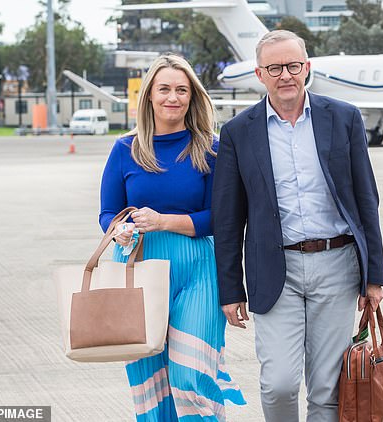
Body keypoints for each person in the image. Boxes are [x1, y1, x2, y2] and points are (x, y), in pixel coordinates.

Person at [212, 30, 383, 422]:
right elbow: (227, 220)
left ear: (306, 68)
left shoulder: (343, 118)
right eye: (275, 68)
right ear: (260, 74)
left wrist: (374, 275)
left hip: (338, 265)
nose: (285, 75)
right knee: (279, 384)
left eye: (293, 66)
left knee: (326, 389)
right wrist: (230, 289)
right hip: (276, 272)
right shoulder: (238, 132)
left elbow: (366, 202)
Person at [99, 54, 245, 421]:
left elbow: (219, 217)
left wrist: (163, 221)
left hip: (197, 272)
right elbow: (107, 212)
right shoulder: (125, 149)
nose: (173, 98)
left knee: (190, 376)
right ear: (149, 95)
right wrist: (118, 230)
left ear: (192, 98)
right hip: (138, 269)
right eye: (164, 89)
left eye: (182, 90)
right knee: (149, 383)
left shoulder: (210, 148)